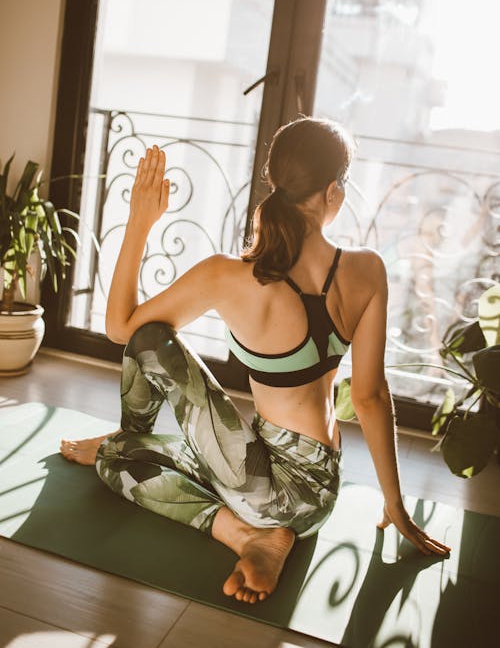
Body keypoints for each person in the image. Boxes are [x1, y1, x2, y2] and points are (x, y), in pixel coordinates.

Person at [60, 116, 451, 605]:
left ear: (276, 183)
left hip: (263, 492)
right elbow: (370, 397)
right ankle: (242, 518)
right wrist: (394, 503)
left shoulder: (230, 276)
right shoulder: (366, 269)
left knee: (130, 412)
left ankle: (247, 535)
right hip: (317, 491)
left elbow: (125, 330)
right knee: (118, 454)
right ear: (333, 191)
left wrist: (140, 223)